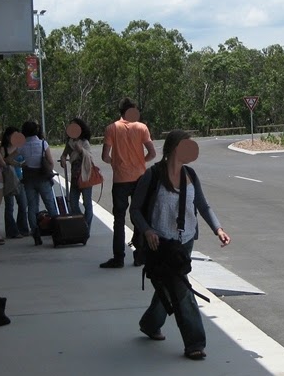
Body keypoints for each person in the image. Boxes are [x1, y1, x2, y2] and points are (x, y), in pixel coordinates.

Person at [130, 130, 230, 360]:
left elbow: (203, 206)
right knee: (182, 290)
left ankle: (149, 324)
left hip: (184, 243)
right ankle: (195, 343)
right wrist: (147, 230)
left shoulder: (191, 175)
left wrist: (218, 229)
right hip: (160, 243)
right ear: (175, 148)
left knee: (169, 287)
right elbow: (135, 209)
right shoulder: (153, 175)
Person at [101, 98, 157, 268]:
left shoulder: (112, 128)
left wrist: (116, 164)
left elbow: (104, 156)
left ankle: (118, 258)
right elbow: (153, 153)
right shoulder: (141, 127)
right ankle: (139, 255)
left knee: (119, 219)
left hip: (120, 180)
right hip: (140, 178)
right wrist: (141, 162)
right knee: (139, 215)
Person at [18, 120, 59, 244]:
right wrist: (47, 171)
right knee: (50, 204)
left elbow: (8, 158)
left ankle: (35, 232)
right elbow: (51, 163)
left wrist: (22, 164)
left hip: (29, 179)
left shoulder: (22, 146)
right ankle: (57, 231)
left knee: (32, 206)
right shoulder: (43, 144)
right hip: (42, 178)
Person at [59, 117, 95, 234]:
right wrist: (63, 159)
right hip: (75, 177)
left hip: (85, 176)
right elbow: (64, 154)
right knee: (73, 203)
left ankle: (86, 228)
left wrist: (81, 151)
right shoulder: (70, 143)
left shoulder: (84, 142)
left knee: (87, 203)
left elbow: (89, 157)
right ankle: (81, 223)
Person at [1, 125, 30, 239]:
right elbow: (3, 161)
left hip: (20, 179)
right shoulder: (3, 149)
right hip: (8, 180)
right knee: (10, 206)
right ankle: (11, 231)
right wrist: (17, 164)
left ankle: (22, 228)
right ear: (8, 137)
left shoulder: (20, 147)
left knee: (23, 205)